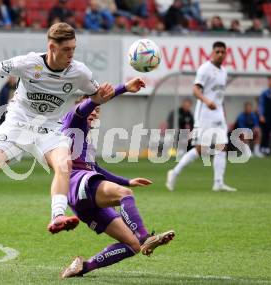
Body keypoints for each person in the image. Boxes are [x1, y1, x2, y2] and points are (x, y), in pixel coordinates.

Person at [0, 22, 111, 234]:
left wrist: (120, 90)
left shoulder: (79, 72)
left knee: (63, 165)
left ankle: (57, 216)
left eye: (73, 49)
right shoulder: (28, 63)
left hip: (50, 128)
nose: (71, 54)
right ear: (52, 47)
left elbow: (97, 96)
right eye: (66, 49)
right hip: (17, 122)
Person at [60, 78, 175, 278]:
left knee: (132, 245)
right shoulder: (74, 118)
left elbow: (95, 168)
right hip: (77, 182)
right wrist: (124, 88)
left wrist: (127, 181)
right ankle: (146, 236)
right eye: (92, 108)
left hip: (83, 196)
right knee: (124, 195)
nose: (94, 112)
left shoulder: (85, 138)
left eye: (97, 112)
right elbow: (93, 102)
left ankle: (82, 268)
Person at [166, 41, 237, 192]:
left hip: (218, 114)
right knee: (202, 149)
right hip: (205, 113)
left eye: (222, 52)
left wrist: (221, 110)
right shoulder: (205, 69)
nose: (219, 54)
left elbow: (219, 96)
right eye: (217, 51)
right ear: (212, 53)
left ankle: (218, 182)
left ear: (226, 54)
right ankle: (174, 172)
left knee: (222, 146)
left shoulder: (224, 71)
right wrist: (207, 101)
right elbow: (195, 90)